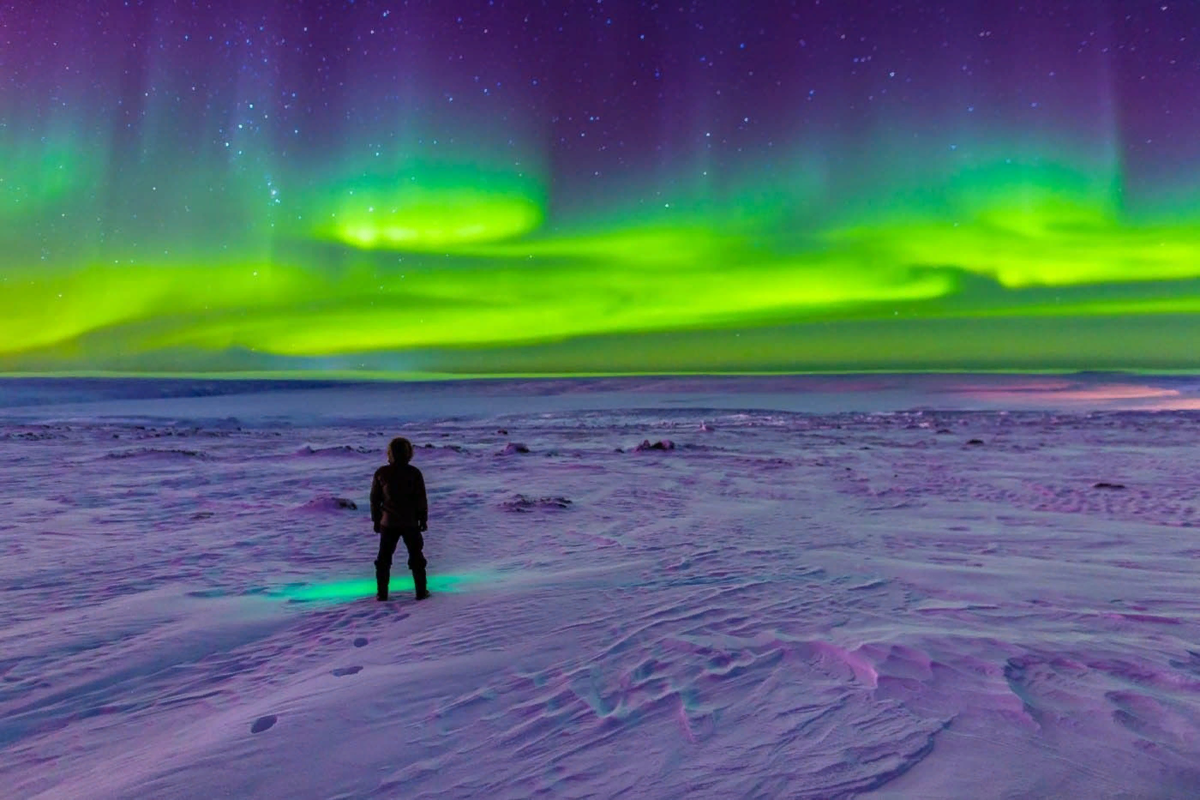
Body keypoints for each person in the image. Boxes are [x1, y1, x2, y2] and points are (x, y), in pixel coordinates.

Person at [369, 436, 429, 601]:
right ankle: (421, 592)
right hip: (410, 522)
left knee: (384, 559)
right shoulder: (414, 473)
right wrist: (423, 519)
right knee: (416, 557)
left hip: (388, 522)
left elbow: (375, 499)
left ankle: (382, 594)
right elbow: (420, 499)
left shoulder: (382, 473)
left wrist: (376, 520)